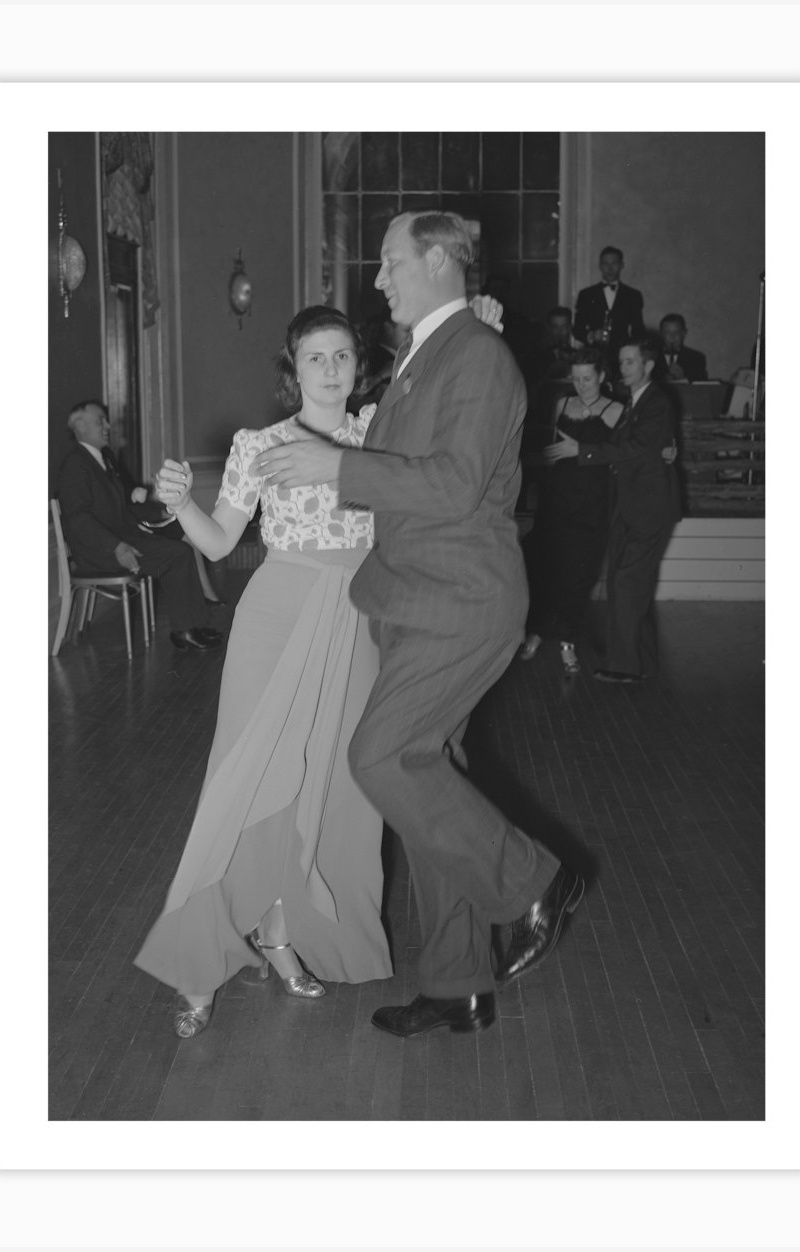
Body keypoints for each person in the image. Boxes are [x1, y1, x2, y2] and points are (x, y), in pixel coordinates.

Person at [254, 212, 584, 1040]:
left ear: (439, 259)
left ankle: (535, 882)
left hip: (458, 601)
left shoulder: (474, 354)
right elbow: (394, 469)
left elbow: (451, 485)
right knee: (431, 783)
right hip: (409, 597)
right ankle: (456, 981)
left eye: (391, 260)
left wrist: (337, 466)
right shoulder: (428, 356)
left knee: (385, 756)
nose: (378, 277)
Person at [134, 297, 503, 1039]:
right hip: (277, 614)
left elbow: (456, 430)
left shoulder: (379, 434)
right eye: (315, 358)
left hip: (363, 617)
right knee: (242, 782)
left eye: (342, 356)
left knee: (340, 789)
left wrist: (482, 336)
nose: (330, 369)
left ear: (360, 365)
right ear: (291, 369)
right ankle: (199, 960)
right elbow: (217, 543)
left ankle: (280, 933)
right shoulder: (257, 444)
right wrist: (181, 506)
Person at [545, 339, 681, 683]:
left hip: (647, 508)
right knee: (631, 586)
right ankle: (645, 663)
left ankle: (624, 667)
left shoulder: (655, 402)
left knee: (625, 584)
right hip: (628, 505)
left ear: (648, 366)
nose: (624, 368)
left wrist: (582, 450)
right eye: (621, 362)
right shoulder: (637, 402)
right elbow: (638, 445)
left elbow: (635, 447)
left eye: (630, 362)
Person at [56, 401, 223, 652]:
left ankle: (193, 625)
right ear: (79, 426)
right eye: (100, 420)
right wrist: (116, 546)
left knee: (179, 544)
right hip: (101, 551)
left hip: (121, 538)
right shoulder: (75, 466)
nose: (108, 426)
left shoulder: (103, 459)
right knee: (178, 554)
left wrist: (165, 510)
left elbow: (122, 507)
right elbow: (80, 520)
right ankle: (185, 630)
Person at [519, 349, 619, 678]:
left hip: (592, 507)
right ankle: (536, 631)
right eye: (575, 378)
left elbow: (622, 458)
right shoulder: (561, 404)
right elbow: (549, 448)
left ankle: (567, 642)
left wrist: (582, 452)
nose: (580, 385)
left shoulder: (617, 410)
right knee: (546, 570)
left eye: (587, 378)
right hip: (556, 502)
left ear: (603, 376)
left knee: (579, 577)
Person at [572, 246, 646, 375]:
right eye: (606, 264)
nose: (610, 268)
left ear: (622, 265)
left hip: (621, 358)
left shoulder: (633, 295)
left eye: (614, 263)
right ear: (600, 266)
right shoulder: (586, 295)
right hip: (594, 358)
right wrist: (591, 336)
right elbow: (577, 329)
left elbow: (638, 330)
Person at [655, 313, 708, 382]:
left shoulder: (697, 358)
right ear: (661, 334)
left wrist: (683, 378)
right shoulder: (650, 357)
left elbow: (703, 387)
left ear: (683, 333)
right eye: (667, 333)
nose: (672, 337)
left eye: (676, 332)